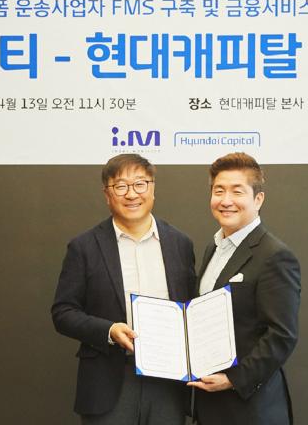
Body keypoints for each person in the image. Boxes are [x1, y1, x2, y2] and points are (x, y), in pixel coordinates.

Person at [52, 154, 196, 425]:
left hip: (168, 381)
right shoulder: (84, 247)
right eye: (121, 186)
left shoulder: (180, 244)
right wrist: (108, 331)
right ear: (107, 194)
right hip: (109, 381)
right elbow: (63, 312)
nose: (131, 194)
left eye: (140, 184)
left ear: (152, 188)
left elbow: (191, 308)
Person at [188, 152, 301, 425]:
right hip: (209, 404)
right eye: (219, 191)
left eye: (237, 191)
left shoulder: (274, 255)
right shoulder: (214, 248)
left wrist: (233, 379)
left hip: (251, 408)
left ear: (258, 199)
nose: (226, 200)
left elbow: (281, 335)